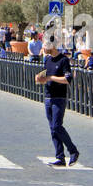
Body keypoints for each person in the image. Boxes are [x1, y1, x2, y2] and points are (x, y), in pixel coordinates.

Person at [35, 39, 79, 167]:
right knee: (53, 129)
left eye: (45, 45)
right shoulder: (47, 60)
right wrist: (38, 78)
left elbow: (67, 79)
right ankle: (60, 157)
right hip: (48, 97)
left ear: (53, 46)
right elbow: (44, 77)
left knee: (57, 126)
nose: (43, 47)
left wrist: (51, 78)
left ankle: (73, 151)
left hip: (59, 98)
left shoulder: (63, 60)